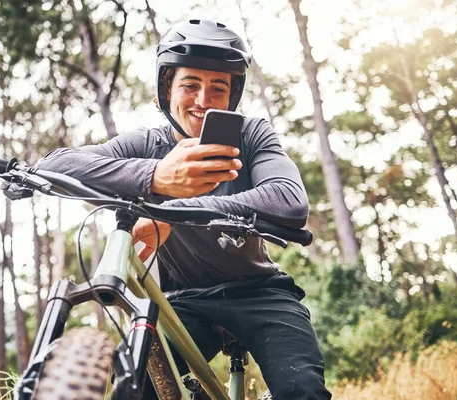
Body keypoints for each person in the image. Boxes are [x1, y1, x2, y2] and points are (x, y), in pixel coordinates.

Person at [38, 19, 331, 400]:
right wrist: (158, 175)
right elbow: (54, 166)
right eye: (190, 85)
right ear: (167, 90)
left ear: (232, 97)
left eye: (218, 87)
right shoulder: (146, 145)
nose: (203, 99)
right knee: (135, 388)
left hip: (261, 292)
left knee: (302, 389)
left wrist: (173, 211)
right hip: (183, 303)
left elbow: (288, 200)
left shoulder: (252, 134)